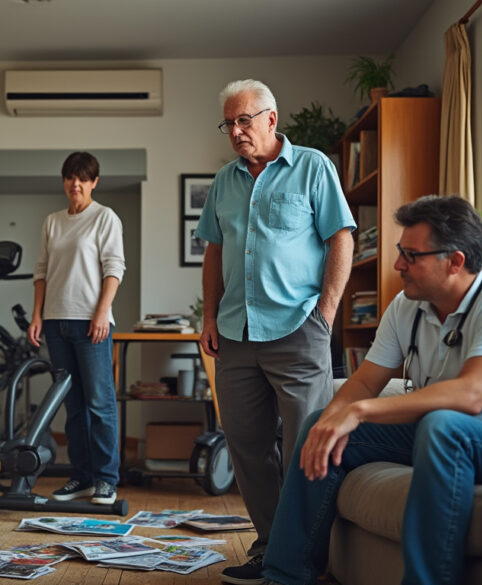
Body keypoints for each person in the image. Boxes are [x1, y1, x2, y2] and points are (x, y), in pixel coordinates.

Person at [257, 195, 482, 585]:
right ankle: (283, 576)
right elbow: (367, 380)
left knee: (442, 425)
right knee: (323, 422)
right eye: (401, 252)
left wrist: (361, 412)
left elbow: (472, 394)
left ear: (455, 262)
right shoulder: (407, 305)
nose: (398, 264)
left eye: (411, 255)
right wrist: (337, 416)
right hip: (443, 433)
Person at [194, 79, 356, 584]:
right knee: (246, 446)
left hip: (298, 328)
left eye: (244, 120)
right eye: (229, 123)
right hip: (236, 333)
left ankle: (307, 558)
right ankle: (270, 549)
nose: (237, 131)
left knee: (305, 444)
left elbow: (340, 238)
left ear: (271, 119)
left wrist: (325, 313)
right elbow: (214, 251)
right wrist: (208, 317)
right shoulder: (224, 180)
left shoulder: (313, 166)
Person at [26, 152, 125, 505]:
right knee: (73, 406)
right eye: (70, 177)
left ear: (94, 182)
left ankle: (106, 480)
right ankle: (81, 477)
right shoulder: (52, 222)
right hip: (56, 322)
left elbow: (114, 268)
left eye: (83, 178)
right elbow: (41, 272)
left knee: (100, 404)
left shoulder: (105, 218)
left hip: (90, 323)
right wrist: (37, 316)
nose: (76, 184)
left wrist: (102, 313)